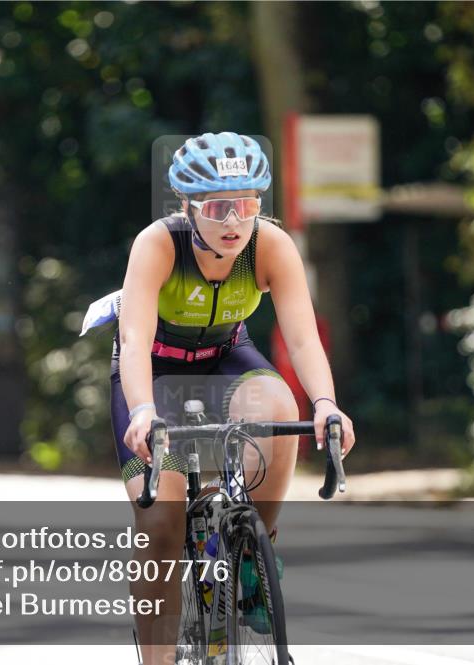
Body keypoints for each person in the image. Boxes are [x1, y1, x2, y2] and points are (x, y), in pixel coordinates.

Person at [110, 132, 356, 664]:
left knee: (281, 407)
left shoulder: (270, 245)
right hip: (154, 375)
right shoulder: (158, 244)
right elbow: (132, 340)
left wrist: (326, 403)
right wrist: (144, 411)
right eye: (219, 207)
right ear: (187, 207)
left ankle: (251, 549)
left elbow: (302, 336)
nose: (233, 221)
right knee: (160, 526)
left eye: (247, 206)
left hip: (227, 361)